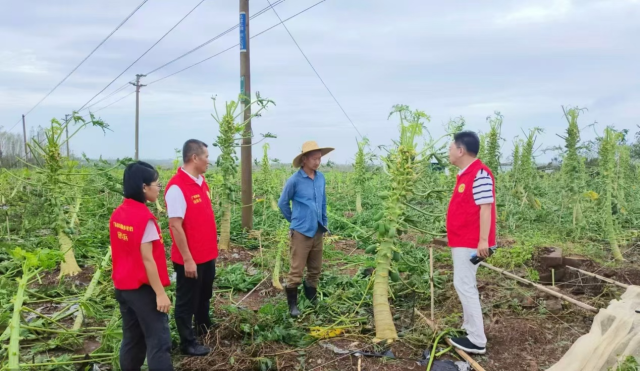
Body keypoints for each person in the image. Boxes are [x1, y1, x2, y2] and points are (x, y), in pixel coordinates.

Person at [109, 161, 173, 370]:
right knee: (159, 342)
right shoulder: (145, 219)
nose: (158, 188)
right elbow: (148, 260)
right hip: (143, 290)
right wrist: (160, 293)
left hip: (123, 287)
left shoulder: (118, 213)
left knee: (132, 339)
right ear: (144, 187)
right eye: (157, 184)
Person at [164, 139, 218, 356]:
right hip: (190, 259)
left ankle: (203, 326)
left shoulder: (201, 182)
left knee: (204, 294)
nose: (208, 160)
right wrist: (187, 258)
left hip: (207, 255)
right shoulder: (176, 187)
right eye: (206, 156)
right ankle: (187, 342)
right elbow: (175, 226)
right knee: (187, 301)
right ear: (194, 158)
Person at [446, 131, 496, 355]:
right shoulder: (466, 174)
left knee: (465, 286)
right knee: (464, 284)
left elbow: (486, 207)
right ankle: (469, 328)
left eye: (450, 148)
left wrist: (483, 241)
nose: (448, 152)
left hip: (471, 242)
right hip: (463, 240)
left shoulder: (480, 174)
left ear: (460, 150)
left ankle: (477, 340)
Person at [278, 140, 333, 317]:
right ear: (304, 160)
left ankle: (312, 300)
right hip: (301, 232)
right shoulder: (295, 180)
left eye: (319, 159)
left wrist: (324, 222)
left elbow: (322, 202)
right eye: (314, 159)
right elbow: (283, 203)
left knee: (315, 269)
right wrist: (294, 221)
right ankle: (293, 307)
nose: (317, 162)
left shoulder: (321, 178)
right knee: (296, 271)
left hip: (317, 230)